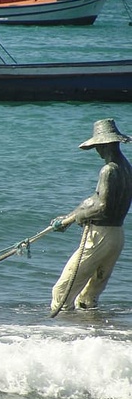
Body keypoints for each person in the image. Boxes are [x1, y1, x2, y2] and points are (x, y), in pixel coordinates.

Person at [50, 118, 132, 313]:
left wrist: (75, 219)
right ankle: (91, 333)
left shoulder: (108, 170)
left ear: (105, 145)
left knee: (62, 292)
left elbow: (101, 207)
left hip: (99, 237)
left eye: (98, 146)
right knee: (89, 294)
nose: (97, 151)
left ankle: (61, 336)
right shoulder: (127, 168)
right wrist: (69, 218)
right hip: (116, 235)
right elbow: (94, 200)